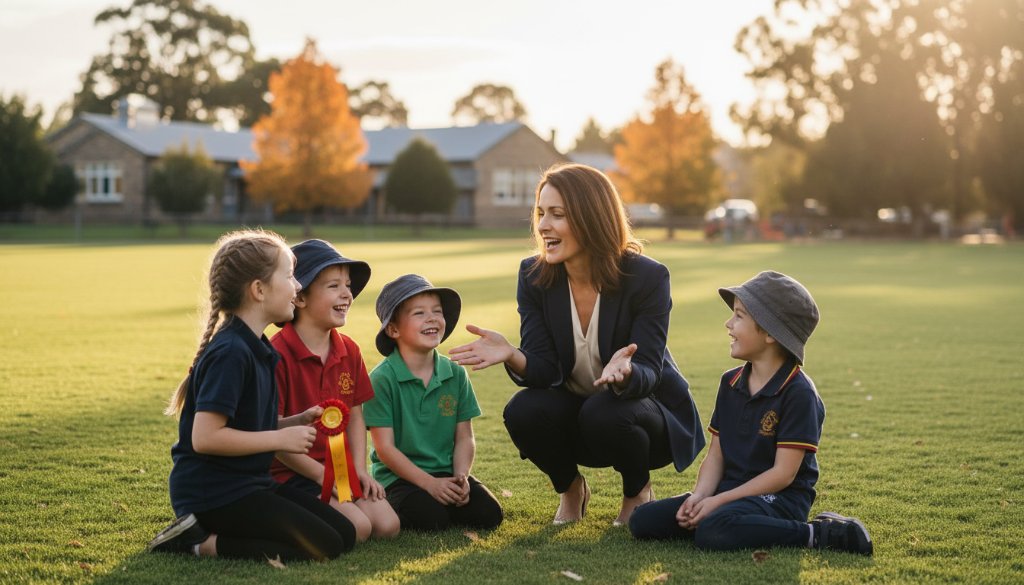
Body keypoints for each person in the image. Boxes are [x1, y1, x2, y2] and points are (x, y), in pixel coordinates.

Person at [448, 163, 705, 527]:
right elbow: (546, 369)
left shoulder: (647, 277)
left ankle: (637, 491)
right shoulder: (534, 276)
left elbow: (650, 371)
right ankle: (571, 489)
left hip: (642, 417)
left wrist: (627, 371)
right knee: (522, 410)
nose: (542, 226)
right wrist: (513, 354)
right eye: (540, 213)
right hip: (578, 417)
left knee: (604, 410)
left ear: (591, 216)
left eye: (557, 214)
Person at [147, 229, 356, 561]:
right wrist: (280, 438)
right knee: (324, 545)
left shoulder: (257, 347)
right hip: (214, 494)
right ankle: (196, 541)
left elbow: (247, 424)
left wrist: (292, 422)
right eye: (289, 276)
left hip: (251, 483)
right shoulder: (231, 351)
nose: (298, 286)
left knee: (344, 533)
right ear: (259, 290)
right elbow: (206, 438)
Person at [629, 271, 873, 555]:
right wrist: (700, 497)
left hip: (779, 499)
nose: (728, 324)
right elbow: (716, 456)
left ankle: (819, 533)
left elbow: (783, 474)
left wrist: (718, 503)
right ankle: (724, 516)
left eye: (739, 316)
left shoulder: (798, 393)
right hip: (730, 493)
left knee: (714, 530)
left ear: (770, 332)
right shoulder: (729, 382)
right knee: (643, 520)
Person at [270, 239, 400, 542]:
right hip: (292, 473)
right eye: (333, 286)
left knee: (387, 526)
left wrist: (358, 471)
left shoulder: (349, 350)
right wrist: (321, 476)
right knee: (359, 528)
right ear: (299, 298)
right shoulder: (276, 354)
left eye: (348, 285)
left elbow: (355, 416)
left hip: (339, 468)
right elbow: (273, 438)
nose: (347, 294)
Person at [363, 274, 504, 532]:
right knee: (431, 519)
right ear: (393, 329)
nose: (432, 318)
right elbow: (385, 450)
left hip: (446, 472)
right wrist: (429, 484)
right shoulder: (382, 379)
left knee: (489, 514)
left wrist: (460, 477)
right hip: (401, 479)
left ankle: (448, 495)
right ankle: (409, 505)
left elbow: (465, 438)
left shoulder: (455, 374)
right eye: (419, 313)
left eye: (437, 311)